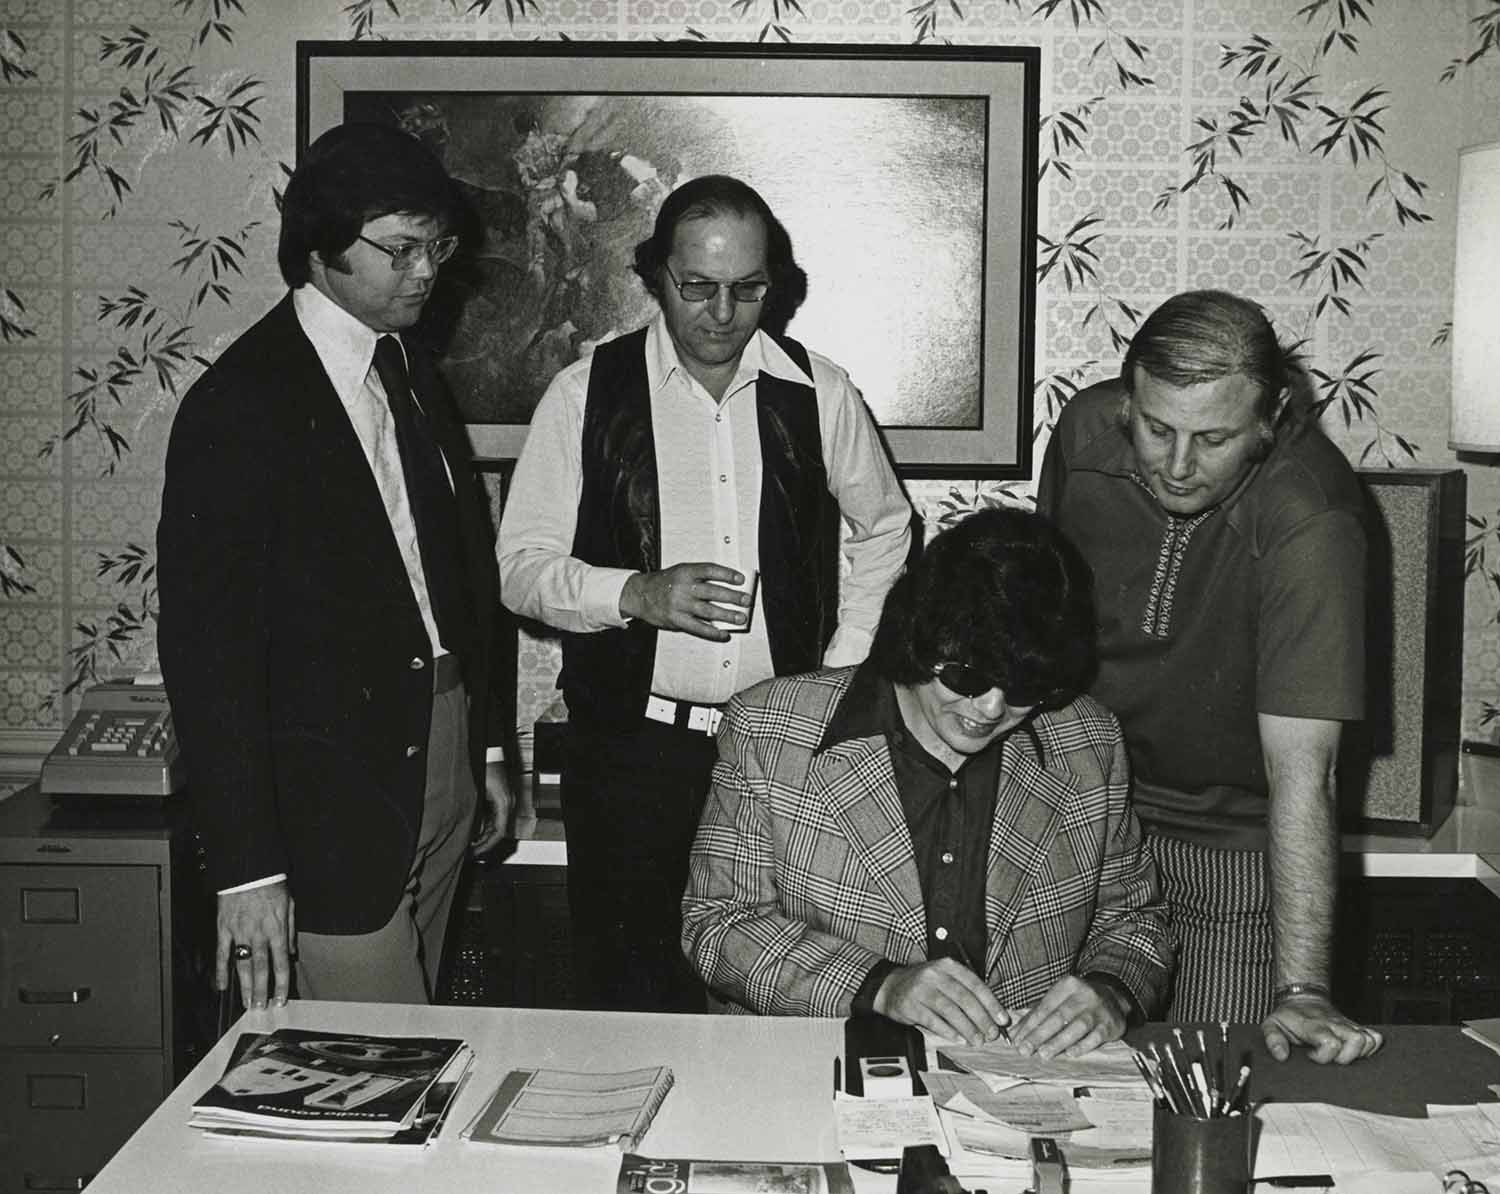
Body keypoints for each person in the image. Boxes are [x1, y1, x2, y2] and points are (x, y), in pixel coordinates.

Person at [498, 174, 912, 1012]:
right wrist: (635, 594)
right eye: (698, 288)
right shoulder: (585, 394)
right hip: (631, 758)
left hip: (783, 758)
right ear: (656, 277)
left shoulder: (817, 391)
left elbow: (886, 528)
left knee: (777, 996)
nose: (722, 314)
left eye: (747, 290)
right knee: (633, 1002)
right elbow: (520, 566)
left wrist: (840, 674)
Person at [157, 122, 509, 1011]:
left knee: (421, 1050)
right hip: (325, 806)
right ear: (317, 250)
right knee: (372, 1073)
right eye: (399, 249)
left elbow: (460, 582)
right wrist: (246, 873)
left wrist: (488, 747)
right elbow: (209, 655)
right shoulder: (239, 404)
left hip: (442, 759)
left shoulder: (412, 371)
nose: (427, 270)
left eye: (438, 246)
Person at [1035, 288, 1383, 1065]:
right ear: (1126, 400)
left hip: (1226, 858)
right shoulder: (1085, 432)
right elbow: (1040, 636)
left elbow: (1305, 771)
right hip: (1085, 827)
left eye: (1215, 438)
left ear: (1274, 417)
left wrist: (1302, 991)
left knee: (1207, 1084)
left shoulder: (1311, 518)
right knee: (1040, 1091)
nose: (1179, 467)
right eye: (1157, 429)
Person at [681, 508, 1172, 1054]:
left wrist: (1112, 991)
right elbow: (718, 925)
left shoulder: (1089, 742)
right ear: (917, 637)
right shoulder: (771, 729)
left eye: (1025, 688)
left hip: (1022, 1086)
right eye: (966, 677)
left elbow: (1131, 920)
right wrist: (880, 986)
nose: (989, 709)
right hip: (813, 1065)